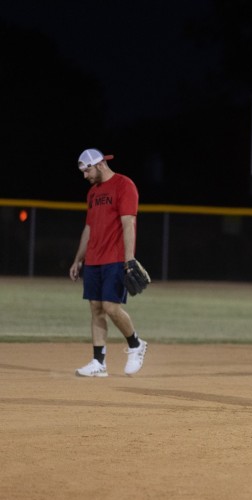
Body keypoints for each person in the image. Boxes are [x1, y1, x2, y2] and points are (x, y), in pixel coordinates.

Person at [69, 148, 148, 378]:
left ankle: (135, 344)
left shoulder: (124, 185)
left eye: (87, 170)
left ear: (100, 164)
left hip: (115, 257)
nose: (85, 176)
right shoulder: (92, 193)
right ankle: (98, 362)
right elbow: (89, 228)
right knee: (96, 309)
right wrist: (78, 259)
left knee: (111, 307)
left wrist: (129, 258)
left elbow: (128, 224)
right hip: (93, 258)